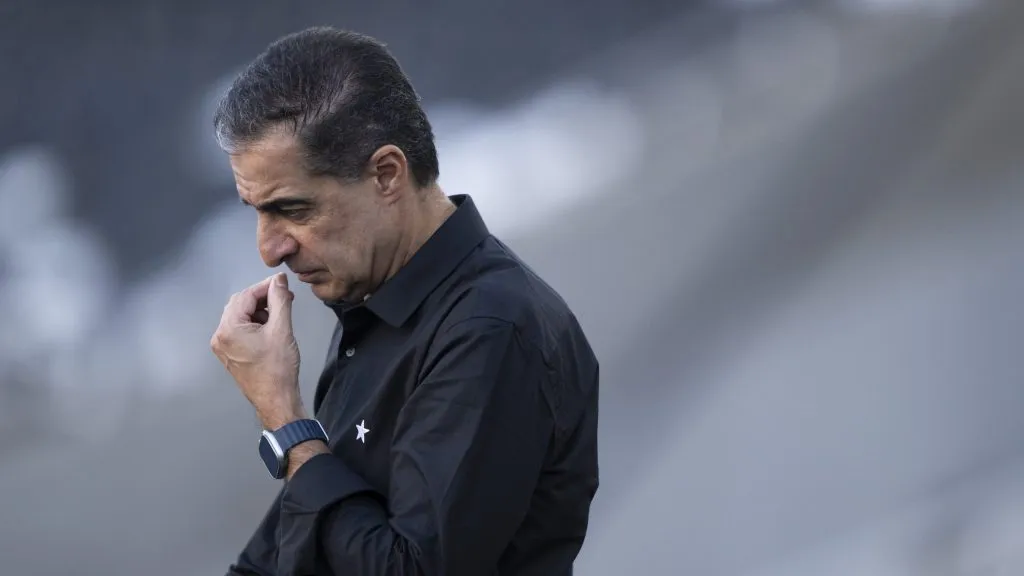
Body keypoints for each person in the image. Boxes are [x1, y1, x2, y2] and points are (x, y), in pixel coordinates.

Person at [209, 27, 600, 576]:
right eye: (256, 210)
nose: (269, 249)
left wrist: (286, 421)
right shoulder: (374, 304)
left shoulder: (492, 328)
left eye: (292, 210)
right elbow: (295, 543)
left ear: (386, 174)